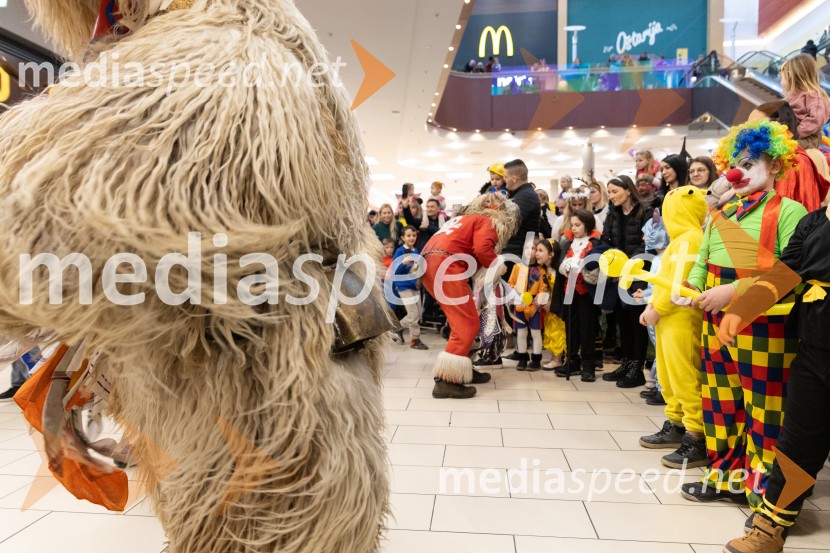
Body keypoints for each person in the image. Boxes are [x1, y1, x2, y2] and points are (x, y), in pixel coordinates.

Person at [0, 0, 392, 550]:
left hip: (265, 414)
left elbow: (49, 222)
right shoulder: (264, 51)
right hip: (275, 396)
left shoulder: (227, 46)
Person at [678, 120, 808, 509]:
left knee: (765, 409)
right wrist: (694, 288)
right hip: (716, 321)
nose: (738, 172)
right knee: (721, 402)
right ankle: (726, 477)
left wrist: (733, 292)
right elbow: (702, 259)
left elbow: (792, 273)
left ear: (776, 167)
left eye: (750, 164)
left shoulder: (790, 211)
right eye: (735, 164)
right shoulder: (724, 212)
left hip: (764, 322)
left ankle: (766, 496)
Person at [721, 203, 830, 553]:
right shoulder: (815, 220)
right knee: (798, 442)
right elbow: (785, 272)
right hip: (815, 347)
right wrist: (742, 308)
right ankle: (770, 527)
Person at [421, 193, 520, 399]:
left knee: (468, 320)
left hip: (430, 264)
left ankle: (462, 369)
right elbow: (482, 248)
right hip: (445, 266)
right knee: (466, 324)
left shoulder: (463, 218)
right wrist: (497, 265)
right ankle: (446, 381)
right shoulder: (486, 221)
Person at [638, 186, 709, 469]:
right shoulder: (678, 240)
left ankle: (696, 436)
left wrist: (657, 309)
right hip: (667, 317)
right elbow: (664, 279)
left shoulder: (691, 239)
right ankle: (676, 424)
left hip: (681, 318)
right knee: (667, 373)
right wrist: (652, 307)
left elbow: (680, 285)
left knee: (684, 374)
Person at [601, 175, 651, 388]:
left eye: (615, 191)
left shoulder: (645, 213)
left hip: (640, 274)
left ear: (628, 190)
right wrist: (612, 264)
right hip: (618, 276)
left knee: (636, 322)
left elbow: (647, 244)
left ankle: (637, 370)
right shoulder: (612, 215)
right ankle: (626, 362)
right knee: (623, 322)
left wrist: (628, 266)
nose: (611, 196)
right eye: (609, 192)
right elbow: (605, 242)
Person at [555, 210, 608, 381]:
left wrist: (582, 263)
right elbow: (560, 265)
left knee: (588, 328)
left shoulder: (596, 242)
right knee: (571, 326)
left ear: (588, 225)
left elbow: (598, 265)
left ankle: (588, 364)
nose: (574, 228)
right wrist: (566, 266)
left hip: (587, 292)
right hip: (569, 290)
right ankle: (571, 361)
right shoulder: (566, 243)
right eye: (572, 225)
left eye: (578, 225)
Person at [750, 100, 830, 212]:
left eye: (756, 127)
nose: (749, 133)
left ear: (778, 128)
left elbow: (782, 214)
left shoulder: (793, 162)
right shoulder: (769, 158)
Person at [633, 211, 670, 405]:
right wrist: (645, 294)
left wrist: (648, 296)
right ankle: (658, 385)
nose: (644, 238)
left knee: (662, 349)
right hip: (653, 304)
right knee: (658, 348)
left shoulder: (664, 259)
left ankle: (663, 389)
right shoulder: (658, 259)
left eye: (647, 233)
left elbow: (662, 285)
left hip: (659, 307)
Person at [507, 240, 549, 371]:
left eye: (532, 248)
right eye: (526, 248)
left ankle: (536, 359)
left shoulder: (541, 270)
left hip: (534, 307)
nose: (529, 251)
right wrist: (516, 295)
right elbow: (511, 283)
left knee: (536, 332)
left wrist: (536, 303)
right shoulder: (517, 267)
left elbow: (543, 288)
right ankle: (522, 358)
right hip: (519, 306)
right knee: (521, 332)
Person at [780, 54, 830, 150]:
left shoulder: (814, 96)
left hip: (807, 138)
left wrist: (794, 134)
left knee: (781, 150)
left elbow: (815, 119)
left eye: (782, 78)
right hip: (790, 134)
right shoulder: (791, 96)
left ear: (790, 75)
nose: (780, 82)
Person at [503, 159, 542, 275]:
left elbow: (508, 220)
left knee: (515, 291)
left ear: (514, 178)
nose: (504, 180)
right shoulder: (521, 195)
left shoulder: (526, 196)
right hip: (516, 250)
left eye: (505, 177)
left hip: (518, 253)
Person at [393, 226, 428, 351]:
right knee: (413, 315)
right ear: (402, 238)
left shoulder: (416, 251)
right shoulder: (399, 252)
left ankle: (396, 328)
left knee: (418, 314)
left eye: (413, 235)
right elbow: (395, 271)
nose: (411, 238)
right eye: (408, 236)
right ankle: (415, 339)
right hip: (404, 287)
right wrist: (403, 264)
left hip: (415, 286)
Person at [536, 240, 566, 370]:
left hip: (558, 308)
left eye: (540, 250)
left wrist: (552, 303)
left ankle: (558, 359)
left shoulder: (558, 270)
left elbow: (561, 291)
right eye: (536, 250)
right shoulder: (544, 270)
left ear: (551, 254)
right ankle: (554, 357)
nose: (536, 254)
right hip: (549, 308)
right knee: (550, 330)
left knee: (558, 331)